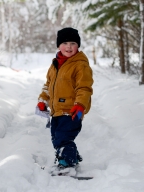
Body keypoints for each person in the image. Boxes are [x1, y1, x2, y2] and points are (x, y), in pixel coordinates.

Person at [37, 27, 93, 170]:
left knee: (63, 138)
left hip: (72, 111)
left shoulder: (80, 65)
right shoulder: (55, 64)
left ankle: (67, 161)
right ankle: (70, 156)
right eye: (65, 43)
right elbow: (48, 85)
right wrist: (43, 100)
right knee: (57, 138)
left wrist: (80, 104)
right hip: (56, 111)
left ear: (78, 46)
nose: (69, 47)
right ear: (58, 45)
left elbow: (84, 88)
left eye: (73, 43)